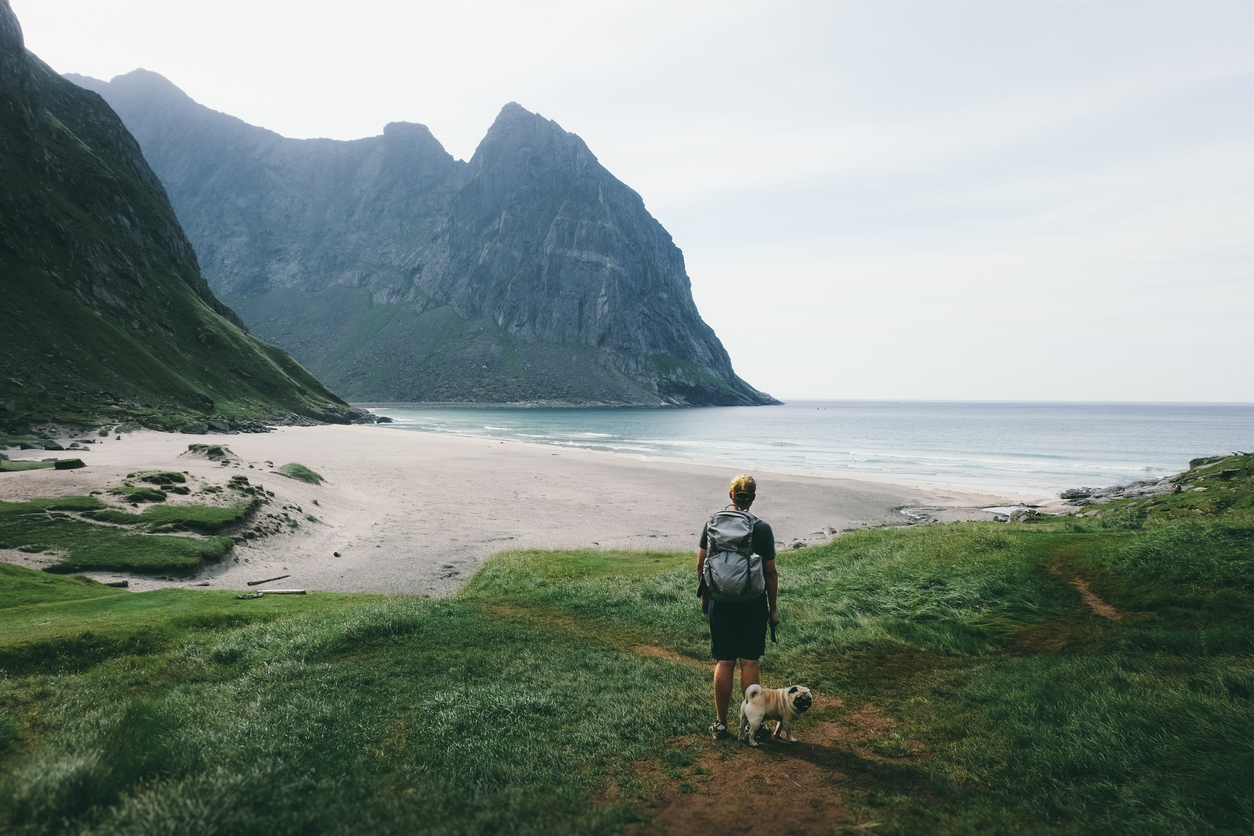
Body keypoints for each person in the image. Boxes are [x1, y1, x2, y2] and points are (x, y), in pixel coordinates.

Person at [698, 474, 779, 740]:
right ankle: (750, 725)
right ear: (753, 498)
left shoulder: (712, 522)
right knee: (749, 662)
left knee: (724, 661)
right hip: (752, 604)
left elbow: (701, 564)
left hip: (720, 602)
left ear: (731, 495)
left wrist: (705, 599)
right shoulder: (762, 528)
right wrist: (773, 609)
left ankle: (721, 725)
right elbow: (770, 573)